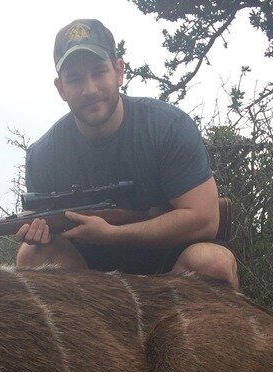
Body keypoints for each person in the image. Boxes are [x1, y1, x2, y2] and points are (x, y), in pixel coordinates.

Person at [16, 19, 238, 288]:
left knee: (214, 262)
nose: (90, 89)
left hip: (171, 273)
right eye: (75, 79)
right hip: (93, 284)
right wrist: (39, 233)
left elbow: (205, 218)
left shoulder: (167, 126)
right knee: (31, 255)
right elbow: (44, 233)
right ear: (61, 88)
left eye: (99, 72)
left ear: (119, 71)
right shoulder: (43, 156)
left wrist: (112, 234)